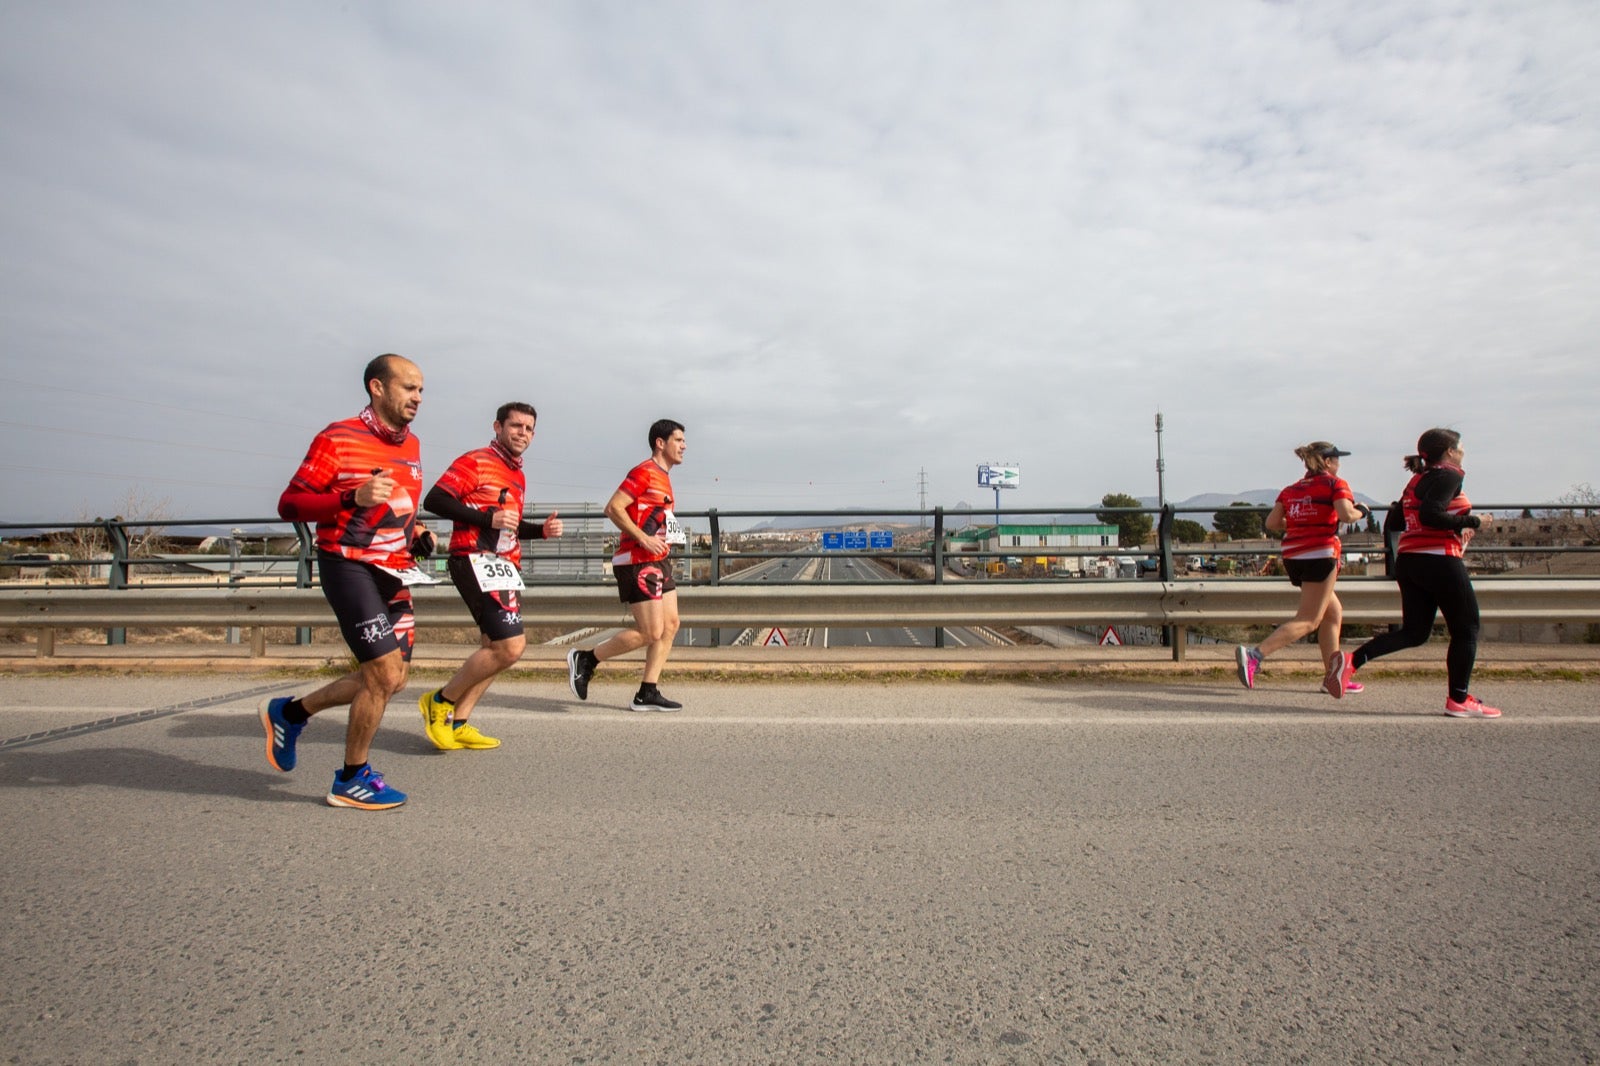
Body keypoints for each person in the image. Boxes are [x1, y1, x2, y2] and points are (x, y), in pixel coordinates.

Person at [259, 354, 435, 810]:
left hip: (393, 569)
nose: (417, 397)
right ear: (377, 388)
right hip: (347, 564)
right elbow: (290, 505)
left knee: (390, 679)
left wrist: (416, 534)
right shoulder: (337, 438)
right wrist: (348, 497)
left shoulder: (412, 445)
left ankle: (291, 713)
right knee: (383, 672)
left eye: (421, 390)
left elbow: (395, 508)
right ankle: (351, 778)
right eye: (408, 387)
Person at [417, 402, 564, 750]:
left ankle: (460, 722)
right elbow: (435, 500)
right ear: (497, 427)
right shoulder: (477, 460)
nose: (522, 434)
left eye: (529, 429)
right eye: (516, 426)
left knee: (493, 647)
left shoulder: (517, 473)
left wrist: (541, 531)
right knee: (510, 647)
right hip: (473, 558)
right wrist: (486, 519)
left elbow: (507, 526)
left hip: (503, 565)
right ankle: (440, 702)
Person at [1339, 428, 1500, 718]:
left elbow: (1396, 519)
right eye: (1460, 446)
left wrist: (1448, 522)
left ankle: (1351, 660)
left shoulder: (1417, 479)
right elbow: (1431, 515)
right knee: (1466, 629)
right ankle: (1459, 700)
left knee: (1415, 633)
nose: (1463, 451)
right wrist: (1475, 520)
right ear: (1450, 452)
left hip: (1410, 561)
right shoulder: (1450, 475)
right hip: (1438, 559)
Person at [566, 418, 687, 712]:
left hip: (658, 560)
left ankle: (647, 691)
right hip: (637, 560)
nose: (684, 446)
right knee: (650, 632)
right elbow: (613, 508)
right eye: (679, 440)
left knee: (671, 625)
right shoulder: (643, 472)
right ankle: (586, 659)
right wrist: (644, 539)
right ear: (661, 443)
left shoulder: (664, 477)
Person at [1235, 443, 1370, 698]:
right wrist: (1362, 510)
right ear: (1327, 462)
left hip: (1293, 556)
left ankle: (1333, 676)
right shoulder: (1335, 484)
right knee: (1309, 620)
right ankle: (1254, 656)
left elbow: (1272, 522)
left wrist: (1300, 521)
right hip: (1320, 554)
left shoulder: (1291, 489)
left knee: (1333, 613)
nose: (1339, 464)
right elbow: (1346, 514)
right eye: (1336, 460)